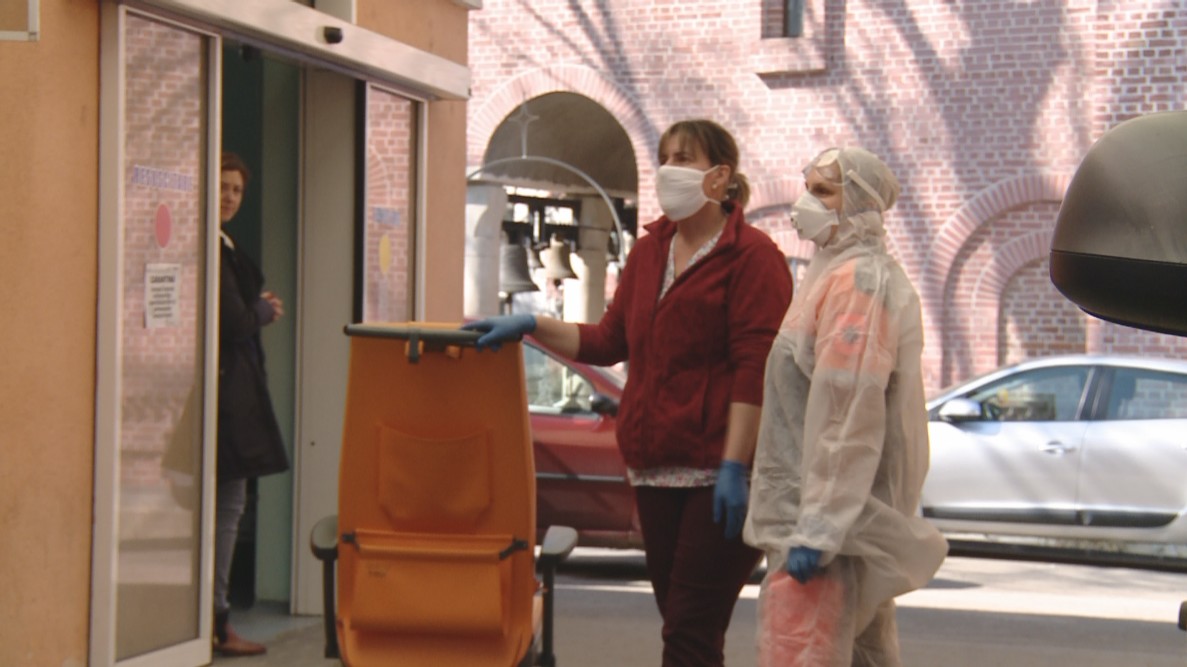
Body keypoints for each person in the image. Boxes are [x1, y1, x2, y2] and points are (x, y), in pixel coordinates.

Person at [464, 119, 793, 666]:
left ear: (719, 177)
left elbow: (753, 367)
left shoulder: (752, 257)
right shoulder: (649, 252)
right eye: (664, 157)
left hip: (718, 473)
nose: (668, 170)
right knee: (686, 630)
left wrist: (737, 465)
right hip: (653, 466)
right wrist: (532, 326)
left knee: (688, 633)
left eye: (683, 158)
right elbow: (607, 340)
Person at [743, 147, 948, 666]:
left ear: (860, 202)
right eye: (807, 188)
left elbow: (848, 412)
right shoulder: (833, 275)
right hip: (827, 519)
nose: (805, 203)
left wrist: (820, 528)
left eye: (823, 191)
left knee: (805, 655)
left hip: (825, 527)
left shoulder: (859, 284)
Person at [213, 152, 290, 656]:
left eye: (237, 190)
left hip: (231, 392)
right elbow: (233, 321)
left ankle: (210, 617)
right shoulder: (211, 247)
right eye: (222, 187)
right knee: (227, 506)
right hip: (224, 397)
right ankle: (216, 620)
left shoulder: (224, 245)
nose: (229, 197)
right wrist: (260, 310)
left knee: (227, 504)